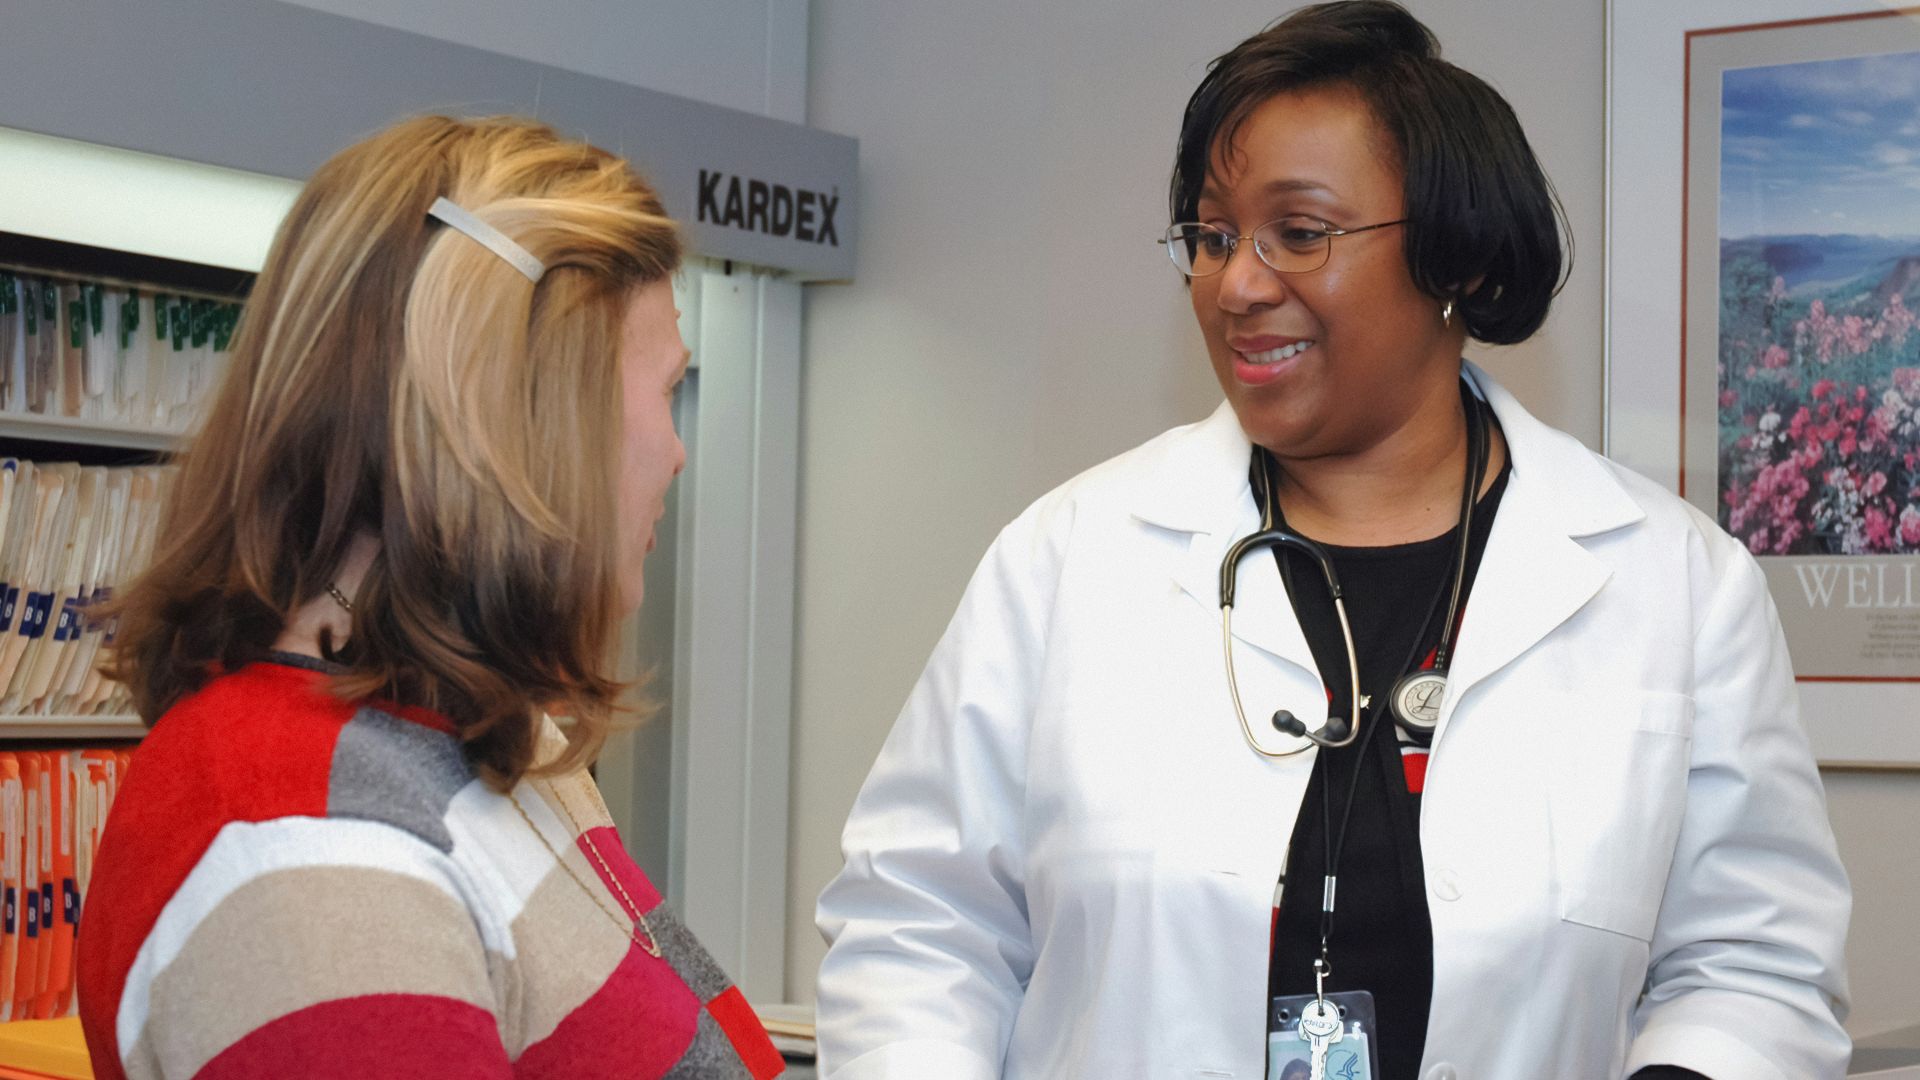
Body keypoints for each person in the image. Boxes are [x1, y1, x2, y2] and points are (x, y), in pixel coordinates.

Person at [814, 4, 1851, 1079]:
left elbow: (1753, 964)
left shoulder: (1673, 583)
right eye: (1213, 238)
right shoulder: (1070, 560)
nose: (1239, 284)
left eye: (1298, 233)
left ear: (1455, 258)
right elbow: (918, 932)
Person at [76, 115, 784, 1080]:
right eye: (665, 390)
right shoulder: (306, 854)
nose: (675, 449)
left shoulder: (487, 736)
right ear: (528, 423)